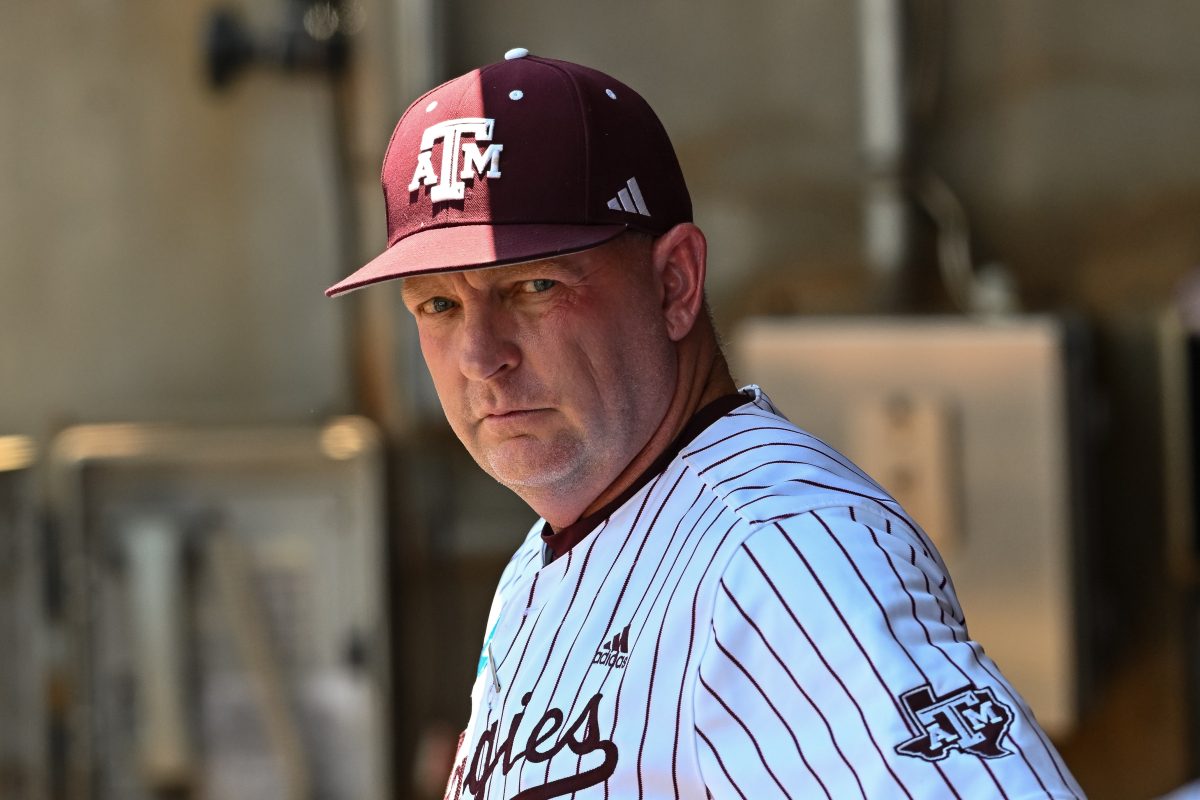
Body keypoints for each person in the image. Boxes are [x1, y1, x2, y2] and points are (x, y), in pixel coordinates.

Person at [327, 49, 1083, 800]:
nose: (480, 356)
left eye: (533, 285)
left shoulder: (782, 550)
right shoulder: (544, 559)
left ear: (675, 284)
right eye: (438, 305)